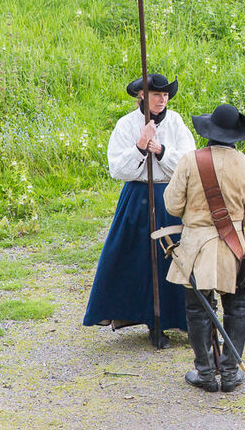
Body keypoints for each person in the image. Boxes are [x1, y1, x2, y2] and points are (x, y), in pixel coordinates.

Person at [83, 73, 195, 348]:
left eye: (165, 95)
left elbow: (188, 163)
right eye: (156, 94)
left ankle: (182, 319)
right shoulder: (126, 125)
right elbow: (117, 169)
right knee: (137, 260)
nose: (162, 100)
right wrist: (140, 146)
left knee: (176, 258)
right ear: (142, 95)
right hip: (137, 198)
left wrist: (161, 151)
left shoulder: (176, 122)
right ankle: (151, 321)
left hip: (170, 198)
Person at [164, 103, 245, 393]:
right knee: (238, 308)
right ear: (235, 136)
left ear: (208, 132)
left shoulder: (189, 161)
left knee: (197, 310)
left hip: (196, 248)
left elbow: (172, 205)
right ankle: (230, 373)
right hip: (234, 246)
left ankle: (205, 372)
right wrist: (231, 222)